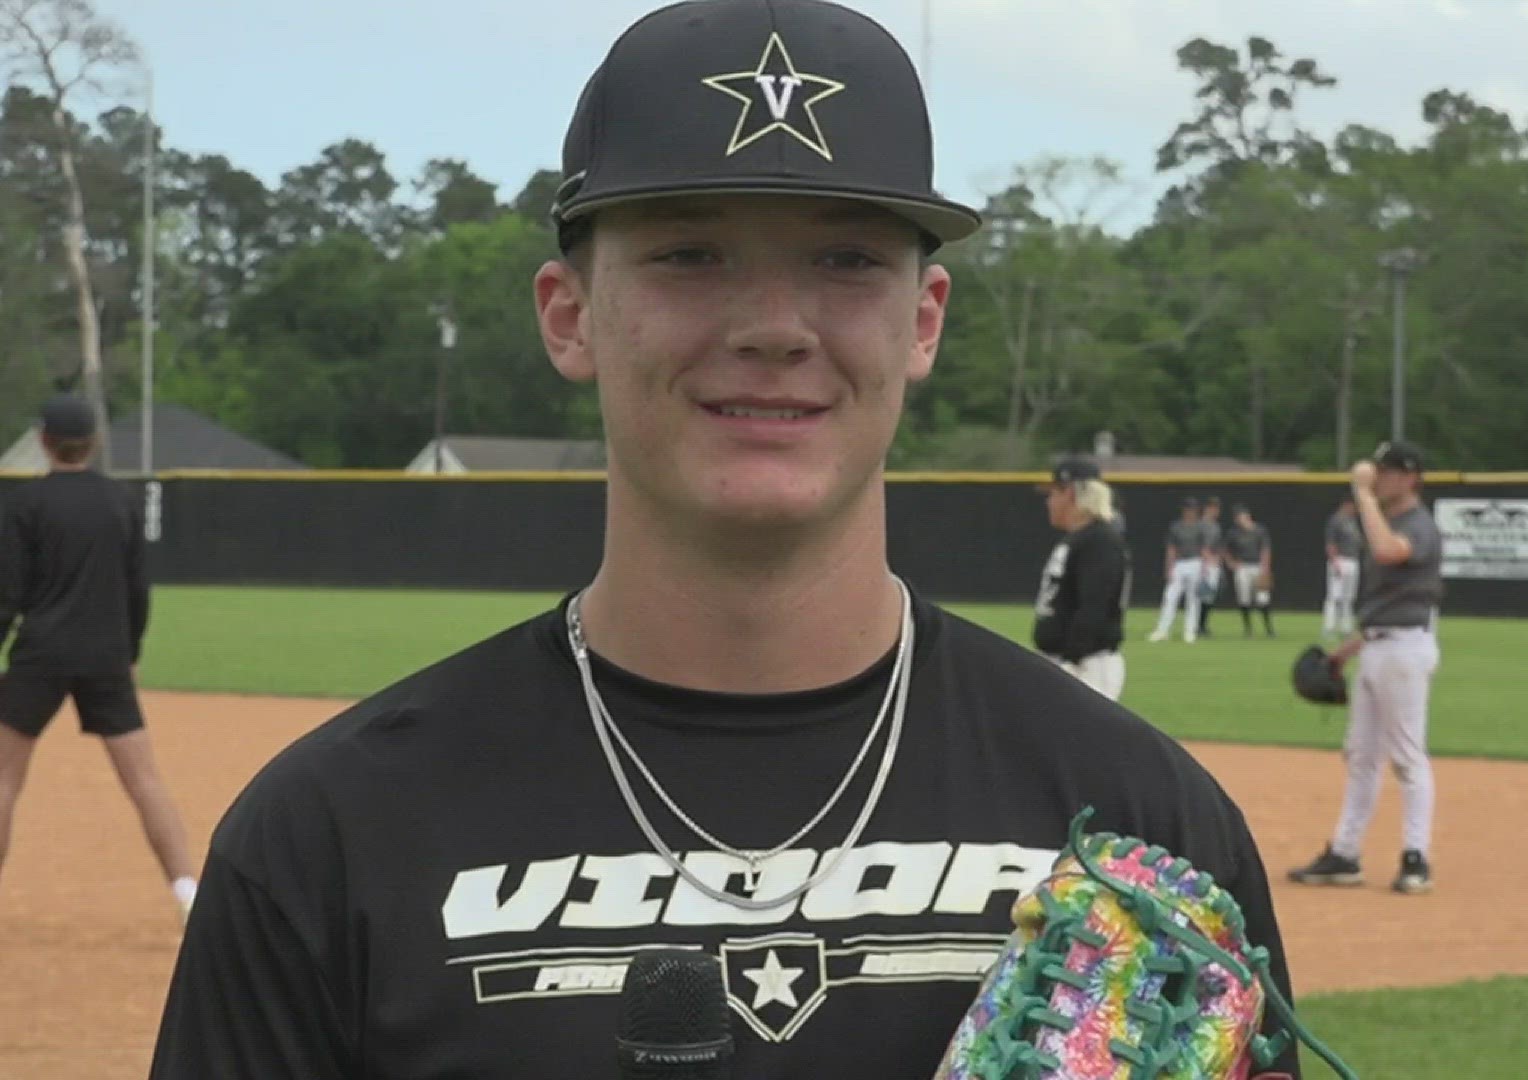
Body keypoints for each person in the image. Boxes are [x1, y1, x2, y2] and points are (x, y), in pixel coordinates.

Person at [146, 3, 1303, 1078]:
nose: (772, 328)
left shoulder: (1140, 826)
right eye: (689, 254)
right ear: (569, 314)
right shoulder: (331, 837)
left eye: (846, 259)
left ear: (925, 320)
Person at [0, 394, 199, 922]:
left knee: (3, 778)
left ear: (44, 442)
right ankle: (188, 893)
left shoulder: (26, 505)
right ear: (94, 443)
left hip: (40, 653)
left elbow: (7, 591)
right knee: (145, 781)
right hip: (105, 655)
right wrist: (129, 651)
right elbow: (138, 589)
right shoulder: (120, 502)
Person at [1288, 441, 1442, 895]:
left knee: (1408, 757)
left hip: (1405, 652)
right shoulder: (1387, 517)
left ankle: (1417, 857)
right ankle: (1345, 853)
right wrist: (1347, 650)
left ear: (1410, 477)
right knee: (1360, 756)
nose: (1379, 477)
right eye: (1377, 471)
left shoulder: (1418, 524)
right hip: (1379, 645)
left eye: (1388, 471)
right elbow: (1384, 607)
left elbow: (1391, 552)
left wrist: (1364, 497)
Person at [1032, 455, 1131, 700]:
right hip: (1064, 661)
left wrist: (1072, 660)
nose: (1049, 502)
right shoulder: (1079, 539)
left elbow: (1095, 604)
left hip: (1087, 666)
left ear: (1072, 494)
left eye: (1054, 493)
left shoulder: (1100, 541)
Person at [1147, 497, 1208, 643]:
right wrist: (1169, 568)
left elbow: (1204, 549)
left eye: (1192, 509)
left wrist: (1205, 568)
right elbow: (1171, 548)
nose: (1190, 511)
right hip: (1179, 564)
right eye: (1188, 509)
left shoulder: (1200, 527)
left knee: (1193, 599)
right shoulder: (1176, 526)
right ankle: (1162, 630)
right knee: (1170, 596)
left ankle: (1189, 632)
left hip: (1195, 562)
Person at [1221, 504, 1275, 638]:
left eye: (1240, 516)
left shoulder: (1260, 530)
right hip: (1243, 567)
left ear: (1247, 516)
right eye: (1237, 518)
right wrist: (1231, 563)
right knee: (1244, 599)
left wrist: (1265, 568)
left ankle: (1269, 629)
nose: (1238, 520)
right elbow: (1224, 549)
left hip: (1257, 566)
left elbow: (1265, 549)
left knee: (1263, 599)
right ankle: (1248, 629)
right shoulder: (1234, 533)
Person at [1323, 498, 1361, 640]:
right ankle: (1329, 628)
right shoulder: (1335, 521)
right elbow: (1330, 543)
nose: (1356, 510)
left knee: (1348, 597)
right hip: (1341, 560)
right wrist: (1335, 562)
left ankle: (1346, 628)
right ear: (1346, 504)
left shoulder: (1352, 521)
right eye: (1354, 506)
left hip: (1353, 560)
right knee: (1334, 596)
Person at [1196, 495, 1226, 638]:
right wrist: (1208, 559)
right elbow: (1200, 545)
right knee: (1201, 595)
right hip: (1203, 563)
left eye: (1217, 508)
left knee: (1209, 596)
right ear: (1208, 508)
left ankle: (1202, 625)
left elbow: (1217, 545)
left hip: (1213, 562)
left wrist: (1218, 559)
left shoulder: (1215, 525)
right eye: (1214, 507)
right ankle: (1198, 625)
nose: (1217, 511)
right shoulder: (1201, 524)